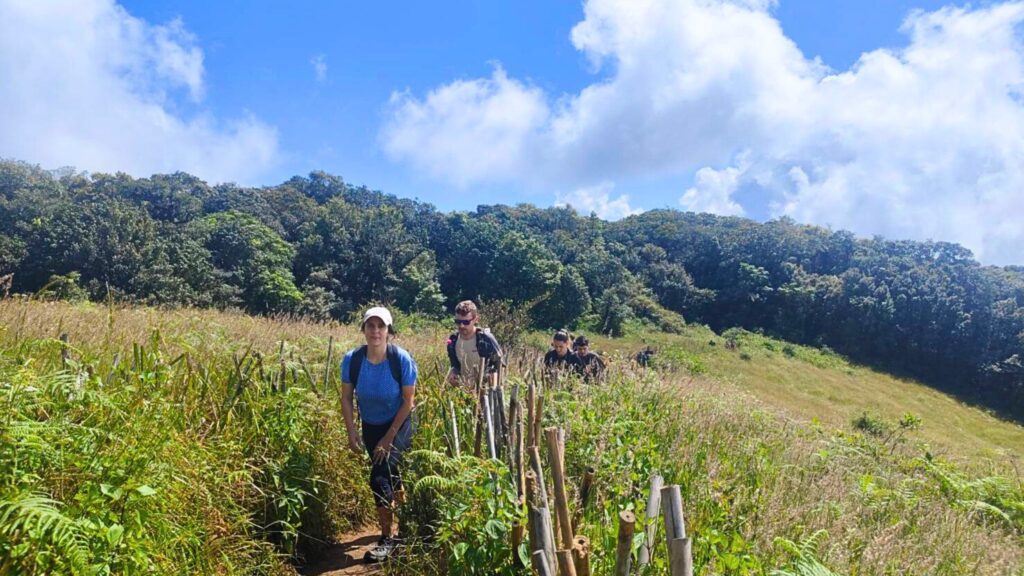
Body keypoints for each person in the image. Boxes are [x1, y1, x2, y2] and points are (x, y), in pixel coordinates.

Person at [340, 306, 417, 562]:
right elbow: (347, 398)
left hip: (400, 422)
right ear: (364, 330)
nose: (375, 331)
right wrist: (352, 432)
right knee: (393, 475)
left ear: (389, 331)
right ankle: (405, 525)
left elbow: (408, 402)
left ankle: (387, 539)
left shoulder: (401, 359)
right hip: (371, 424)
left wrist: (389, 437)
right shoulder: (352, 360)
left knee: (380, 475)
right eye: (370, 326)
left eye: (380, 326)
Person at [445, 300, 502, 390]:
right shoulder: (453, 340)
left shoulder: (486, 339)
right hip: (463, 392)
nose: (462, 325)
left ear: (476, 319)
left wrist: (493, 389)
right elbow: (455, 366)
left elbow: (499, 366)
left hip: (485, 392)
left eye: (466, 322)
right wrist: (453, 374)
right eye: (458, 321)